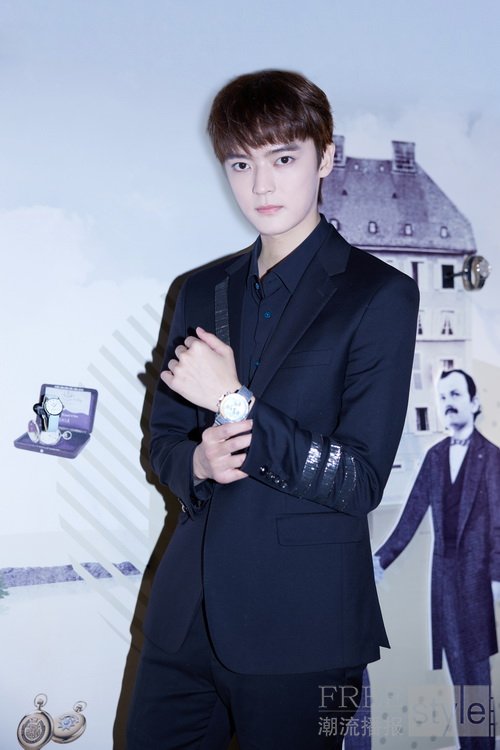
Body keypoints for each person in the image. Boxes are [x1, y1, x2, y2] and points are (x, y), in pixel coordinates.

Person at [126, 69, 419, 750]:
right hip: (184, 622)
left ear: (326, 157)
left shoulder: (379, 295)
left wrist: (234, 404)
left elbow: (360, 481)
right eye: (240, 164)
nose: (261, 185)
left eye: (283, 159)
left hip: (305, 631)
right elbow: (164, 438)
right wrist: (196, 464)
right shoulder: (199, 290)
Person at [375, 369, 500, 749]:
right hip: (443, 583)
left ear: (474, 403)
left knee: (477, 679)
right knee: (457, 674)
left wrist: (496, 578)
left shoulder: (492, 457)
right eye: (443, 397)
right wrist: (381, 559)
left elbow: (499, 523)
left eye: (456, 395)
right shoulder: (435, 457)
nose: (448, 403)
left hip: (477, 583)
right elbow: (412, 515)